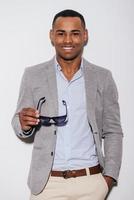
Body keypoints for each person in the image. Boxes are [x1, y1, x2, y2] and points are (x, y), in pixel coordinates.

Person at [12, 9, 123, 200]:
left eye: (75, 33)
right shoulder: (33, 75)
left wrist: (109, 178)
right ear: (52, 36)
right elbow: (17, 121)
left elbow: (113, 130)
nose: (68, 40)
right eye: (61, 33)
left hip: (91, 183)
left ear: (85, 35)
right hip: (47, 185)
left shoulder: (102, 77)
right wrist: (23, 123)